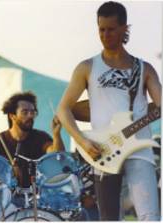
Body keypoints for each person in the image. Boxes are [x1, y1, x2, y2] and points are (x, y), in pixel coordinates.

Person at [57, 1, 161, 221]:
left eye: (111, 29)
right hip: (104, 150)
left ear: (125, 29)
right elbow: (63, 109)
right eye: (101, 29)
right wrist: (83, 142)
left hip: (139, 149)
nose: (105, 34)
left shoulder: (144, 68)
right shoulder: (87, 67)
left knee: (149, 216)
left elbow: (160, 104)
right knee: (109, 218)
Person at [0, 91, 65, 189]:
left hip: (36, 197)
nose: (30, 116)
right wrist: (7, 176)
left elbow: (57, 156)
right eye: (25, 112)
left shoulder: (40, 137)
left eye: (33, 112)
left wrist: (56, 134)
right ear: (12, 116)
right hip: (7, 199)